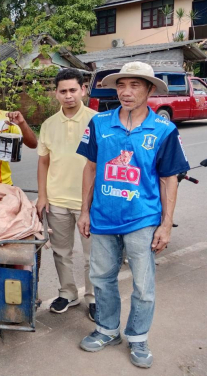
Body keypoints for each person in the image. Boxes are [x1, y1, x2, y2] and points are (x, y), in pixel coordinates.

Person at [76, 61, 189, 369]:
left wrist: (165, 224)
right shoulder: (99, 123)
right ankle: (107, 330)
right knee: (101, 277)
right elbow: (90, 168)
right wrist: (84, 211)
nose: (126, 92)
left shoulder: (164, 130)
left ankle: (138, 338)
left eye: (135, 85)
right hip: (102, 216)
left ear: (150, 89)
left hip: (142, 219)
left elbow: (169, 180)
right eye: (121, 85)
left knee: (143, 283)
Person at [36, 69, 96, 320]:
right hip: (57, 199)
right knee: (62, 252)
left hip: (89, 203)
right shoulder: (48, 125)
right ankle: (68, 293)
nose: (69, 96)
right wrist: (42, 196)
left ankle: (94, 297)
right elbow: (43, 163)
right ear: (56, 94)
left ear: (83, 90)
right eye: (63, 91)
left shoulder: (97, 121)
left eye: (73, 90)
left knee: (94, 255)